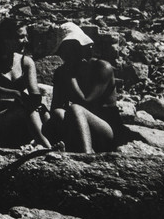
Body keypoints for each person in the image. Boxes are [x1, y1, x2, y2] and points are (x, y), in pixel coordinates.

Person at [45, 22, 123, 153]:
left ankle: (86, 157)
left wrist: (71, 77)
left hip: (106, 129)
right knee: (58, 114)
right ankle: (74, 149)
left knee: (75, 108)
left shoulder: (102, 67)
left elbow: (86, 102)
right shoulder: (62, 72)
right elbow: (56, 107)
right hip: (80, 126)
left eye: (73, 48)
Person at [0, 18, 52, 148]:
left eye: (26, 36)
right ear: (6, 39)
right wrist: (17, 94)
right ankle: (47, 147)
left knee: (42, 111)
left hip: (20, 117)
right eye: (21, 37)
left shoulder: (26, 62)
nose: (26, 40)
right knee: (26, 108)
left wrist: (35, 100)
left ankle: (56, 142)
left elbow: (34, 92)